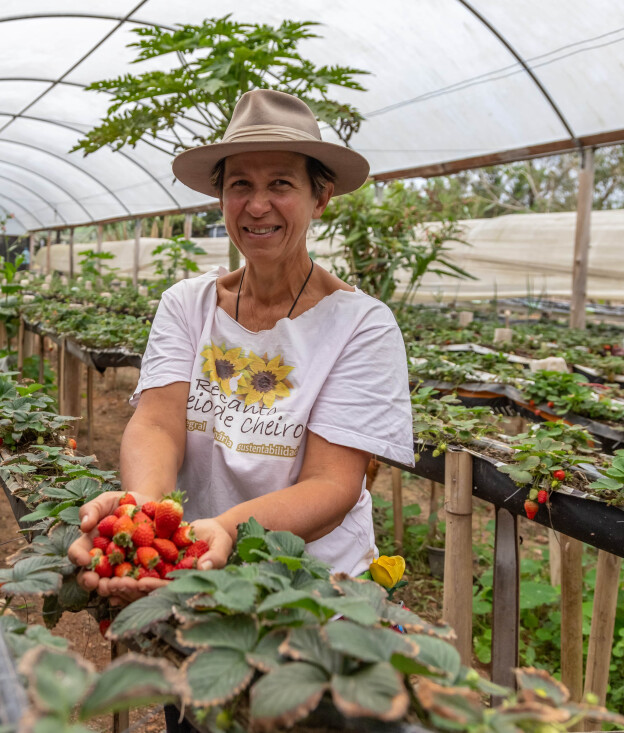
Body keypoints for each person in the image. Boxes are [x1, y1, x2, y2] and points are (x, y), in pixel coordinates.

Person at [68, 89, 413, 602]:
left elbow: (331, 484)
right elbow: (159, 422)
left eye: (280, 184)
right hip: (191, 564)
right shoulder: (188, 303)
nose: (256, 205)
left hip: (307, 587)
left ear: (320, 197)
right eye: (240, 185)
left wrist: (228, 528)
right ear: (221, 198)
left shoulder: (362, 326)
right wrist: (141, 507)